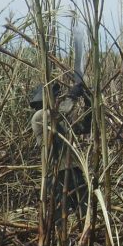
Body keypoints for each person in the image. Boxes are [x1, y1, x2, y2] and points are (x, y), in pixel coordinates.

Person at [29, 80, 92, 226]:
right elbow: (62, 110)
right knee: (57, 214)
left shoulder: (59, 121)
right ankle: (57, 244)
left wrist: (89, 102)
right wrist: (73, 95)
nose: (58, 99)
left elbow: (84, 127)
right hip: (56, 171)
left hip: (72, 169)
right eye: (55, 97)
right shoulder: (39, 116)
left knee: (83, 207)